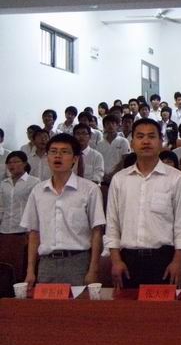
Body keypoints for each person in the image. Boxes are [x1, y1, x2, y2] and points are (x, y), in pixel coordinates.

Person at [106, 118, 181, 288]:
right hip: (127, 260)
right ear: (132, 143)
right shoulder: (119, 179)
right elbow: (112, 224)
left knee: (164, 306)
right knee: (127, 305)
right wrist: (116, 260)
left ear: (161, 142)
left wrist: (177, 261)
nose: (146, 141)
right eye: (140, 136)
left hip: (164, 260)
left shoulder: (176, 178)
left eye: (151, 136)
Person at [21, 134, 105, 288]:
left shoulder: (89, 189)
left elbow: (97, 231)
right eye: (53, 151)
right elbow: (34, 233)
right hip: (46, 263)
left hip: (78, 262)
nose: (58, 156)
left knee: (78, 304)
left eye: (64, 152)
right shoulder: (38, 191)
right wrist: (30, 270)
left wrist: (93, 269)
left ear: (75, 158)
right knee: (45, 304)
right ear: (47, 157)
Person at [0, 151, 40, 280]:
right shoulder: (4, 183)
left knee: (22, 267)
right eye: (9, 163)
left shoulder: (34, 182)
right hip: (5, 230)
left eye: (16, 161)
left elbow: (36, 207)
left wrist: (32, 229)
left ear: (24, 163)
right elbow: (1, 207)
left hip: (24, 231)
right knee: (6, 266)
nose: (12, 165)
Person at [96, 114, 130, 183]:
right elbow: (98, 161)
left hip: (119, 177)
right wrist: (104, 175)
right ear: (104, 126)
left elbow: (125, 159)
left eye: (113, 123)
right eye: (107, 124)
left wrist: (113, 174)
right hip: (103, 178)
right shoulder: (100, 143)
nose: (110, 125)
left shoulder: (123, 141)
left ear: (117, 125)